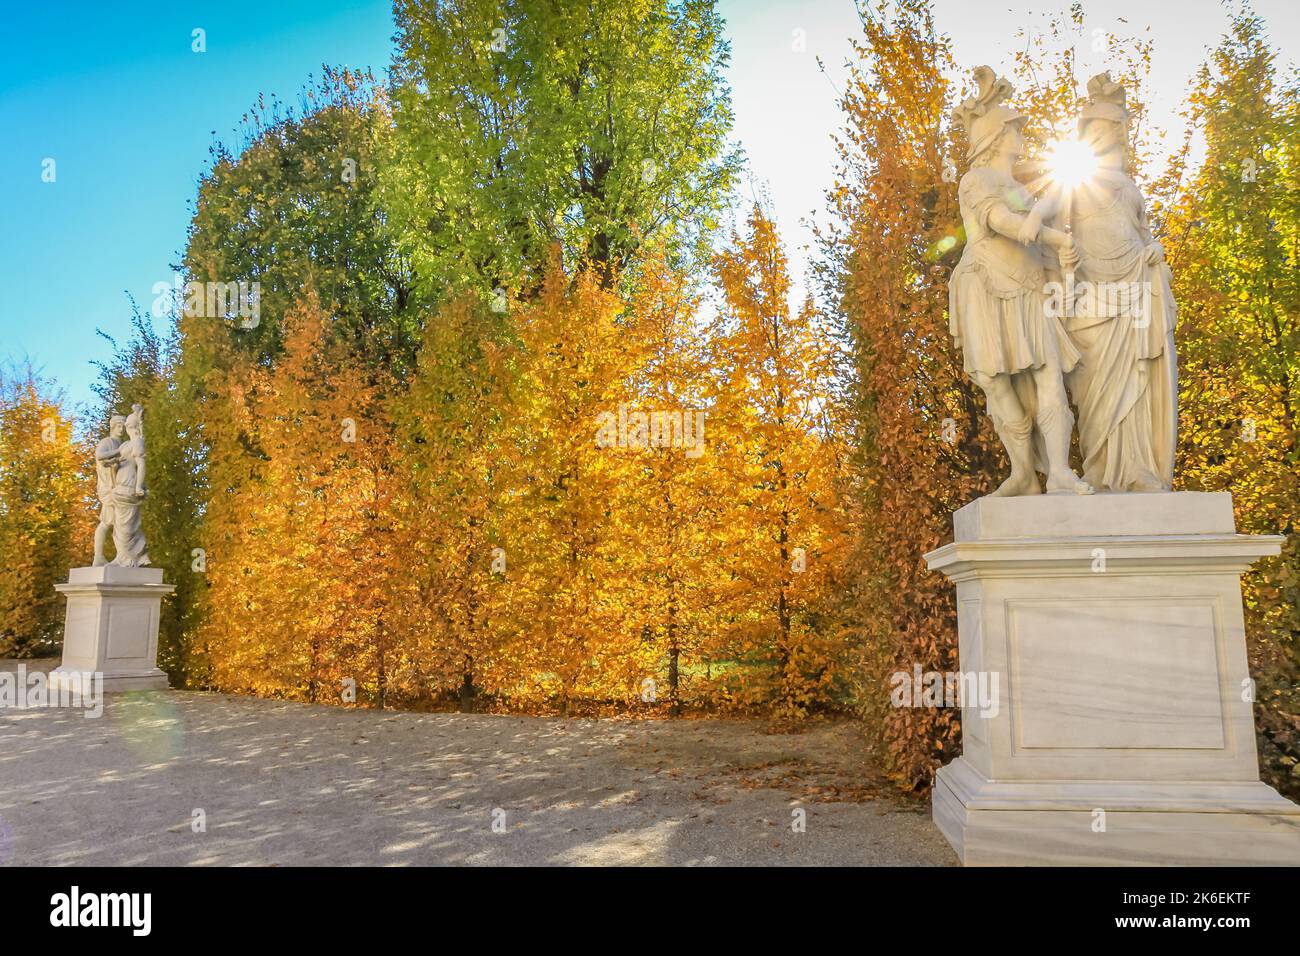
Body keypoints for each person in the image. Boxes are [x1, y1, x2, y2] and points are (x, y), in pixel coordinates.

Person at [949, 67, 1092, 497]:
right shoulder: (975, 181)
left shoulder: (1021, 187)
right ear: (996, 137)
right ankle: (1024, 473)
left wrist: (1061, 253)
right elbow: (1002, 222)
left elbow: (1037, 230)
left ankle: (1061, 474)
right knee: (998, 381)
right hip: (986, 285)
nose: (1020, 135)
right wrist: (1048, 231)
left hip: (1029, 287)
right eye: (1014, 128)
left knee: (1048, 373)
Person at [1058, 73, 1177, 492]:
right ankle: (1101, 469)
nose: (1105, 132)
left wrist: (1156, 250)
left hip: (1136, 289)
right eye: (1095, 126)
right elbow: (1052, 236)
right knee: (1096, 392)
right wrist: (1064, 268)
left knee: (1137, 382)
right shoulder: (1073, 183)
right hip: (1092, 296)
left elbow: (1142, 234)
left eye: (1110, 125)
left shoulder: (1129, 186)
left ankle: (1138, 470)